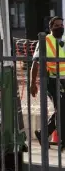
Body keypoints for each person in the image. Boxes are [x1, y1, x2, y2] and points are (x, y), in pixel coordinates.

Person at [30, 16, 65, 151]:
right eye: (56, 25)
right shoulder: (45, 41)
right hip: (52, 80)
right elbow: (35, 63)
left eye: (61, 25)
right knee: (61, 109)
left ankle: (43, 133)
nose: (60, 27)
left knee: (61, 110)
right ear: (51, 28)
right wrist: (32, 83)